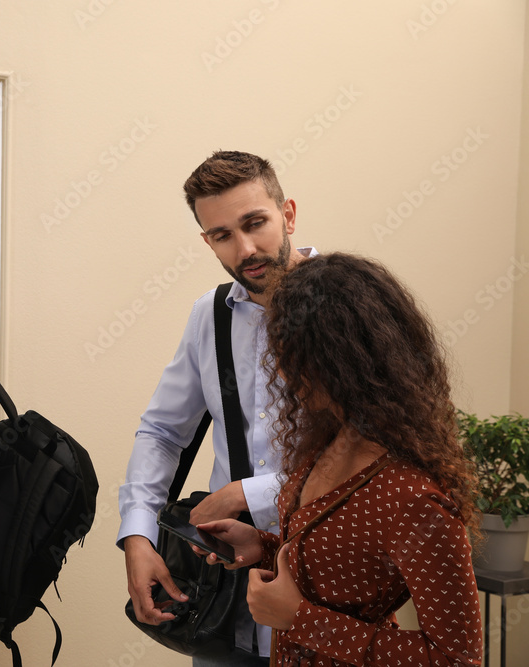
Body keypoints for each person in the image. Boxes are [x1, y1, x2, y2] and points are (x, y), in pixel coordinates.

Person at [198, 253, 484, 665]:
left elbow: (458, 659)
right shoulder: (328, 441)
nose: (283, 373)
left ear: (347, 362)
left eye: (297, 358)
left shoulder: (414, 499)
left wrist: (299, 619)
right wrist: (261, 546)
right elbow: (341, 564)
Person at [117, 150, 316, 665]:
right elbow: (162, 431)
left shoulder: (348, 305)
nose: (246, 248)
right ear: (207, 241)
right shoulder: (209, 317)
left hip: (323, 591)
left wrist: (244, 493)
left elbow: (372, 455)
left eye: (256, 223)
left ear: (288, 214)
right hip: (224, 601)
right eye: (223, 235)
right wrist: (139, 532)